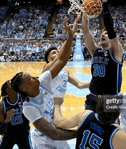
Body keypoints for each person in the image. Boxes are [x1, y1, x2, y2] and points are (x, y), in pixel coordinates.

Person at [10, 16, 79, 149]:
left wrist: (70, 36)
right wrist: (79, 132)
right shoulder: (29, 108)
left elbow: (63, 60)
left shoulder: (43, 81)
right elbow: (52, 134)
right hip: (44, 142)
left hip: (60, 135)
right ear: (25, 88)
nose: (35, 77)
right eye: (30, 78)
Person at [82, 0, 124, 112]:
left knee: (109, 128)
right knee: (88, 126)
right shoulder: (95, 51)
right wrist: (85, 10)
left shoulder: (116, 52)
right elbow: (85, 30)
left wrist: (104, 4)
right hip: (92, 97)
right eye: (101, 33)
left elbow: (110, 29)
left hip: (109, 99)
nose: (102, 35)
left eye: (105, 34)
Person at [53, 95, 126, 149]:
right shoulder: (118, 135)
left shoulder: (85, 115)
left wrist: (57, 105)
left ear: (98, 107)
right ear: (117, 115)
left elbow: (58, 122)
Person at [0, 80, 32, 149]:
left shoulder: (24, 99)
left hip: (23, 134)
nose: (13, 84)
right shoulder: (1, 106)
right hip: (9, 135)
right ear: (7, 90)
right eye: (10, 84)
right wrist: (7, 120)